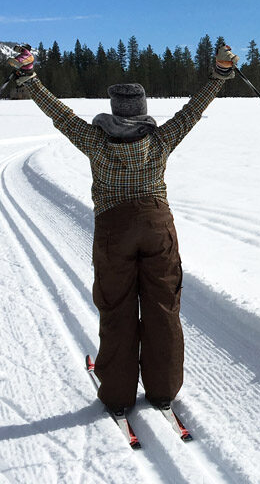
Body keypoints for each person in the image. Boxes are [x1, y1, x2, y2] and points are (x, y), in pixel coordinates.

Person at [7, 41, 239, 415]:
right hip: (157, 226)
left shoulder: (95, 141)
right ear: (143, 111)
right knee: (163, 307)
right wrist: (220, 75)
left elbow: (60, 115)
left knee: (117, 309)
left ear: (114, 110)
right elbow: (192, 111)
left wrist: (30, 79)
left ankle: (117, 396)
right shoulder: (161, 139)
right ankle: (163, 392)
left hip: (114, 230)